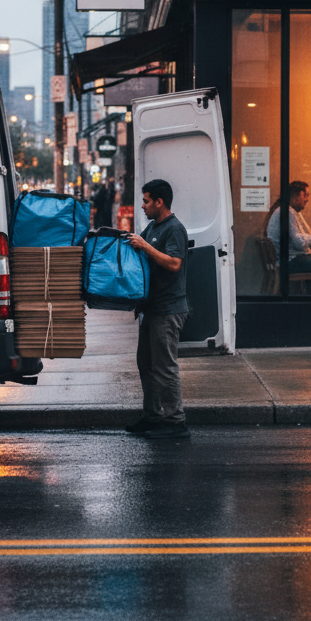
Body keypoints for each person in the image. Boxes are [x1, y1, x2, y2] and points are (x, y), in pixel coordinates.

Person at [123, 179, 191, 439]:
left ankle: (176, 421)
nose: (143, 206)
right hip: (151, 308)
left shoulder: (174, 229)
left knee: (165, 366)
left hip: (168, 309)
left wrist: (146, 246)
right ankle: (153, 416)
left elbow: (174, 264)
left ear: (159, 202)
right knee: (147, 364)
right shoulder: (153, 226)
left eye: (146, 201)